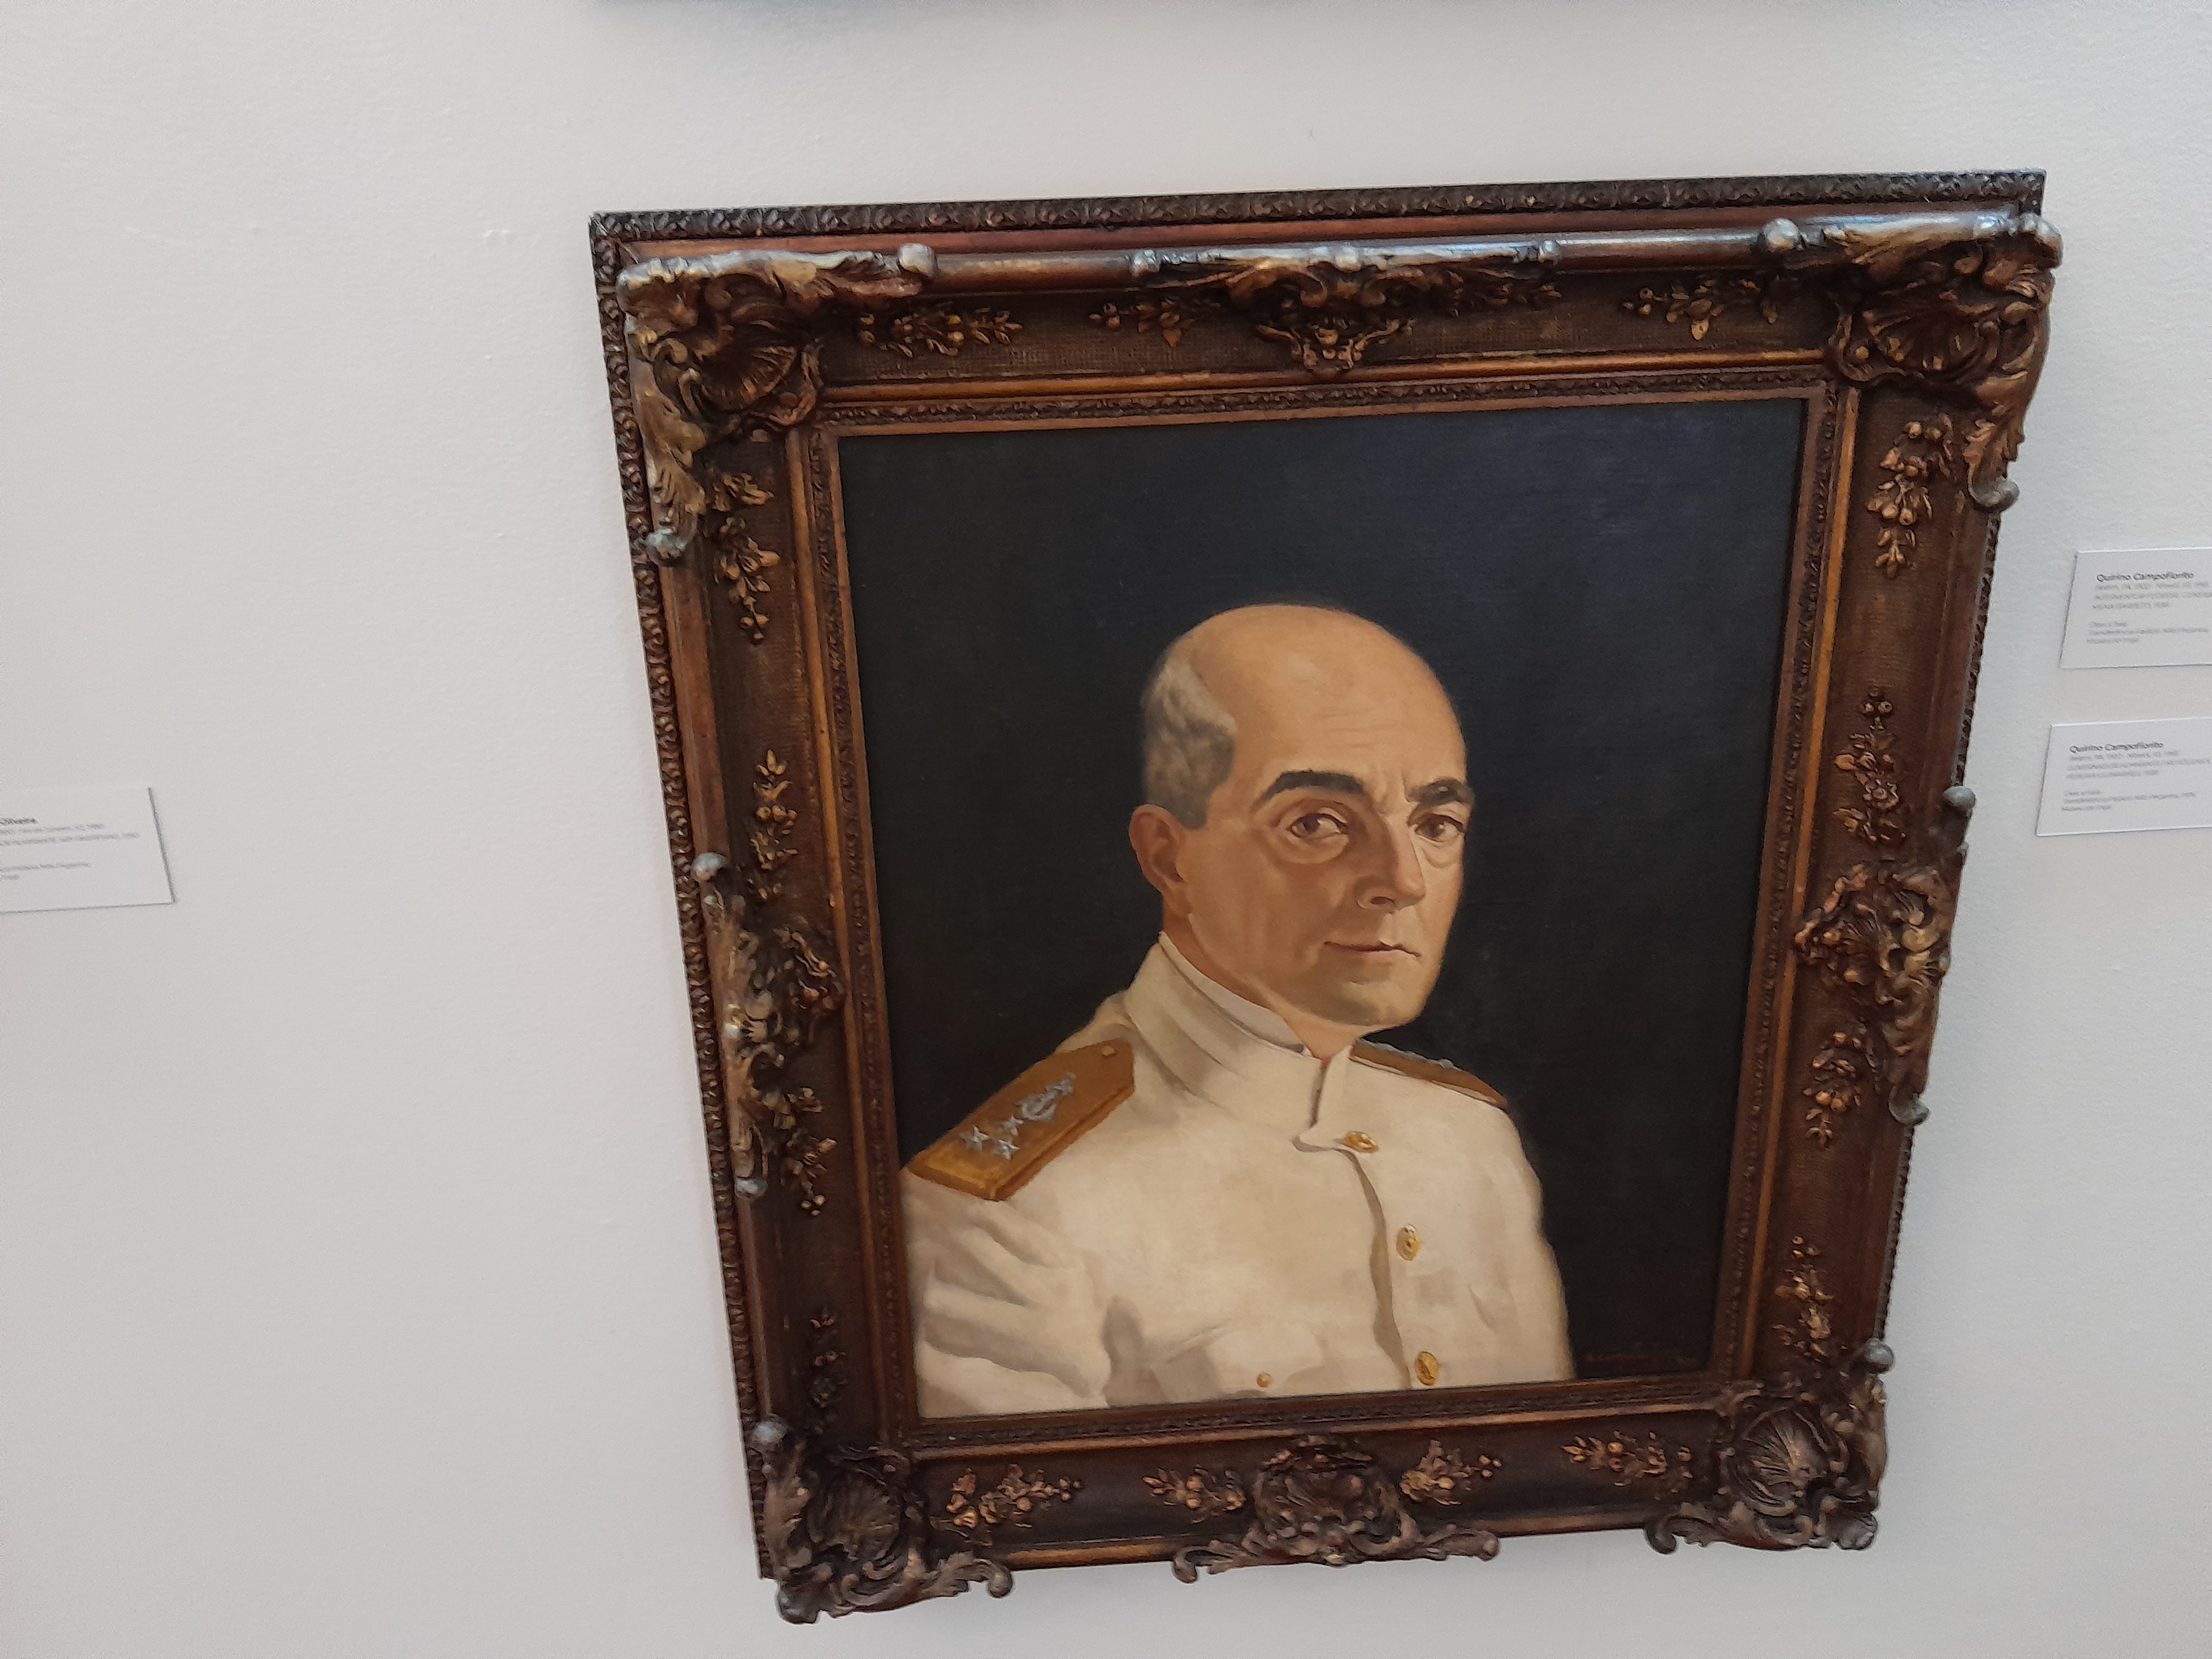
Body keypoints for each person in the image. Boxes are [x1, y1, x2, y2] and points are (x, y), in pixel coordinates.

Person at [901, 603, 1571, 1417]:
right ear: (1168, 858)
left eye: (1435, 824)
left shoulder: (1469, 1138)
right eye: (1317, 823)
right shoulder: (1005, 1212)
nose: (1404, 879)